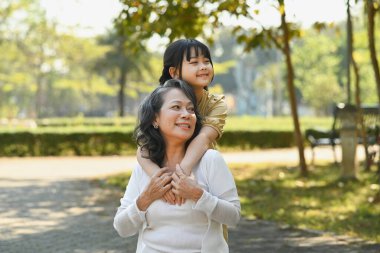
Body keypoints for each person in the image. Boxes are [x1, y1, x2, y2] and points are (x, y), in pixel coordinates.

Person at [113, 79, 240, 253]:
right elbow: (122, 227)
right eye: (176, 107)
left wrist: (198, 195)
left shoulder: (210, 160)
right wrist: (145, 198)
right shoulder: (145, 167)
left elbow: (233, 217)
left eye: (190, 109)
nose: (186, 114)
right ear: (155, 118)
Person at [138, 38, 227, 205]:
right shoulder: (159, 101)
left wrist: (181, 175)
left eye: (207, 61)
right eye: (194, 62)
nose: (203, 66)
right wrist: (160, 180)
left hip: (201, 173)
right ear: (174, 72)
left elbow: (204, 138)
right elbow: (143, 147)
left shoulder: (216, 104)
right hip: (166, 173)